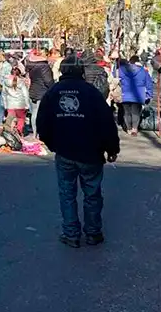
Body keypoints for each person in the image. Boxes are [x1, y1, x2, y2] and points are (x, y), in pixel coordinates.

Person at [37, 55, 120, 248]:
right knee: (92, 194)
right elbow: (107, 124)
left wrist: (52, 144)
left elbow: (42, 123)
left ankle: (71, 233)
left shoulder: (53, 93)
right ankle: (92, 232)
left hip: (65, 151)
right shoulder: (91, 93)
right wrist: (111, 148)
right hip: (90, 152)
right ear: (81, 71)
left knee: (67, 194)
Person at [117, 55, 154, 136]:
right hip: (138, 94)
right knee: (135, 112)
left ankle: (128, 128)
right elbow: (148, 83)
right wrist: (149, 94)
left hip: (125, 93)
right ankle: (134, 128)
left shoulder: (121, 70)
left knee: (126, 112)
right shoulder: (143, 71)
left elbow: (116, 79)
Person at [26, 48, 54, 137]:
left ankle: (34, 133)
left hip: (33, 90)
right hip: (43, 91)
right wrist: (53, 88)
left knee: (34, 112)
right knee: (42, 113)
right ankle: (41, 133)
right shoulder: (44, 66)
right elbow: (48, 80)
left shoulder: (31, 65)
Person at [3, 67, 30, 136]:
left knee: (10, 120)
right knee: (20, 119)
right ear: (19, 74)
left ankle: (10, 133)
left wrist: (5, 104)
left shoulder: (6, 82)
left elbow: (4, 94)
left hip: (10, 104)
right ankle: (18, 132)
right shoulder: (21, 82)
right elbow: (25, 94)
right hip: (20, 104)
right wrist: (27, 104)